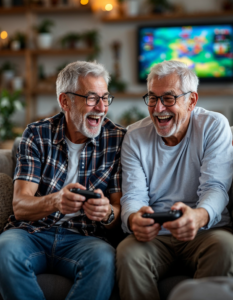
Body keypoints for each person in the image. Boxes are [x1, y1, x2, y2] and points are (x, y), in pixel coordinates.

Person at [0, 61, 126, 300]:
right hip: (32, 233)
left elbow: (119, 211)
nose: (101, 107)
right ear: (65, 101)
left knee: (105, 259)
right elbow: (20, 205)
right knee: (4, 250)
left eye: (105, 98)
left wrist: (106, 212)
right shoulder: (37, 134)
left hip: (85, 238)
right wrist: (56, 201)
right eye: (91, 98)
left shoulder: (117, 139)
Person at [116, 60, 233, 300]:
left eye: (169, 98)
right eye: (152, 98)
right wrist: (133, 218)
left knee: (226, 247)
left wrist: (198, 216)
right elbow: (134, 195)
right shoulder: (134, 136)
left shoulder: (213, 126)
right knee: (127, 252)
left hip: (205, 230)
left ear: (192, 101)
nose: (158, 108)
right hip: (155, 235)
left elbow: (216, 187)